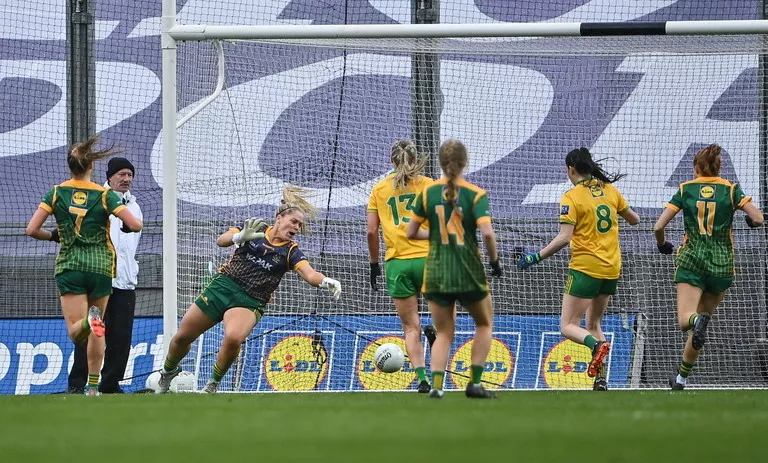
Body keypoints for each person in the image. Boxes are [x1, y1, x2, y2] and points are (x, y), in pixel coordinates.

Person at [156, 188, 343, 394]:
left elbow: (309, 274)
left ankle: (212, 385)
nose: (297, 227)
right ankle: (167, 372)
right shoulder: (255, 228)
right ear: (279, 218)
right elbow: (221, 240)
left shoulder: (291, 251)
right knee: (183, 337)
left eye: (300, 225)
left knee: (234, 337)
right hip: (222, 287)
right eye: (294, 222)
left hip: (249, 301)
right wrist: (239, 237)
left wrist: (326, 281)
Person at [25, 136, 143, 396]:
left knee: (80, 332)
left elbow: (32, 229)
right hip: (102, 268)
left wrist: (54, 235)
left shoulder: (56, 192)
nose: (126, 178)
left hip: (71, 266)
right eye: (122, 174)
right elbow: (135, 225)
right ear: (93, 168)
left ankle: (101, 376)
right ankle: (90, 387)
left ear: (71, 166)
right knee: (98, 328)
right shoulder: (105, 196)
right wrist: (124, 223)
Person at [517, 147, 639, 391]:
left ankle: (595, 347)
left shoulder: (571, 197)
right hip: (611, 269)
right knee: (594, 324)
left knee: (568, 325)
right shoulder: (610, 190)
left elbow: (564, 238)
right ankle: (601, 379)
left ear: (571, 169)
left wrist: (535, 258)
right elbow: (634, 219)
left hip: (585, 268)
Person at [653, 144, 763, 390]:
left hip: (692, 261)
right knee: (700, 322)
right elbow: (758, 218)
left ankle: (694, 325)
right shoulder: (731, 189)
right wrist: (750, 221)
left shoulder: (685, 190)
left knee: (687, 320)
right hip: (722, 265)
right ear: (718, 167)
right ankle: (681, 379)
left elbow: (659, 227)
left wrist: (662, 244)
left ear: (697, 168)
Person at [405, 139, 502, 399]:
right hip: (468, 269)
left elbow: (410, 232)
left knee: (444, 331)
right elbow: (488, 234)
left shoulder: (427, 193)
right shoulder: (475, 194)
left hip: (437, 271)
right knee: (483, 324)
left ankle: (436, 387)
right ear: (464, 163)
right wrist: (494, 262)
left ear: (440, 163)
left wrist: (436, 236)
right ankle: (475, 383)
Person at [68, 157, 143, 394]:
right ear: (109, 177)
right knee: (91, 331)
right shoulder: (96, 201)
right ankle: (78, 383)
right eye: (121, 174)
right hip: (100, 281)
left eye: (129, 175)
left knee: (121, 338)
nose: (126, 179)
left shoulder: (135, 207)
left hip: (125, 283)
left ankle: (110, 383)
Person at [367, 140, 436, 393]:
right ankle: (436, 333)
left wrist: (374, 264)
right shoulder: (429, 185)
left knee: (410, 326)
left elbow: (372, 232)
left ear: (391, 161)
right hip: (429, 259)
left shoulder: (380, 189)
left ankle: (421, 379)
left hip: (397, 263)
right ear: (415, 159)